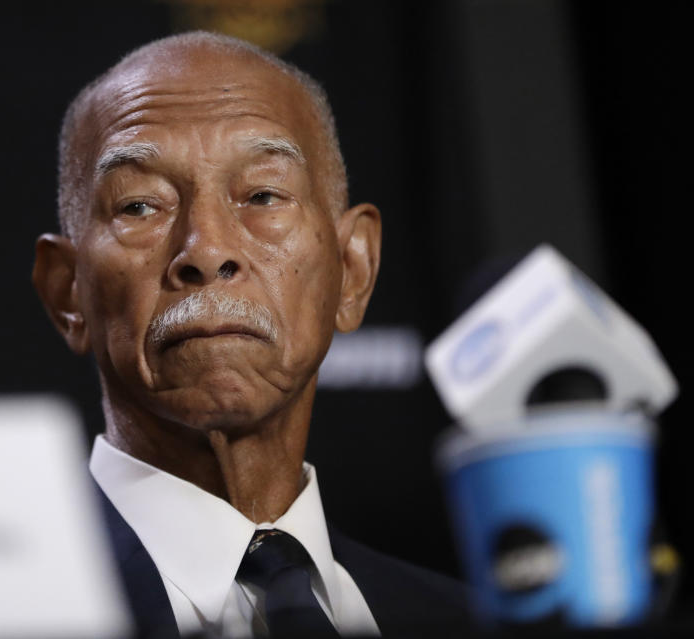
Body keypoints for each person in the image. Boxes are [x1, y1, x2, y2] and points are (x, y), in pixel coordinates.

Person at [33, 31, 468, 638]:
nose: (207, 250)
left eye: (263, 195)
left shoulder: (463, 620)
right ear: (66, 292)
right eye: (140, 206)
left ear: (354, 270)